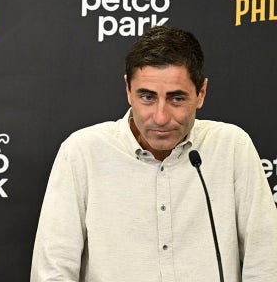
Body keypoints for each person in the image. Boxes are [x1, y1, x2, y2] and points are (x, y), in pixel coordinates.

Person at [30, 26, 277, 281]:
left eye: (177, 99)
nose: (161, 117)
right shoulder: (82, 152)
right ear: (128, 90)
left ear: (201, 93)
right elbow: (53, 272)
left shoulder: (233, 147)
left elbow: (266, 263)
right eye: (147, 97)